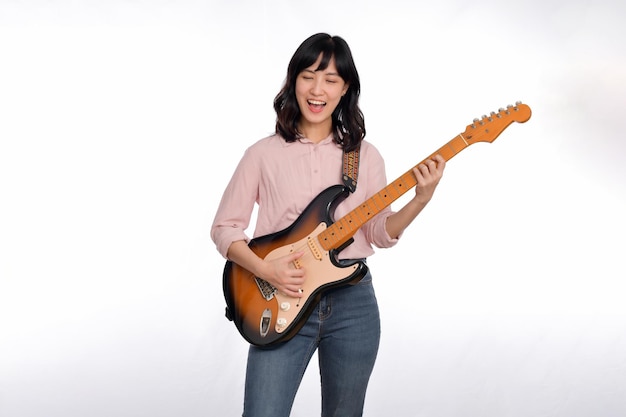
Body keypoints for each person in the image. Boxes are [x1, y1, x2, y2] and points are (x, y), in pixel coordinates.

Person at [211, 33, 445, 417]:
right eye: (308, 76)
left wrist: (420, 199)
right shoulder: (261, 154)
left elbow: (377, 232)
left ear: (345, 88)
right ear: (293, 81)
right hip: (280, 297)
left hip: (353, 306)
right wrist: (265, 269)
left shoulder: (364, 157)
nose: (318, 89)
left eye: (331, 79)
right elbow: (225, 228)